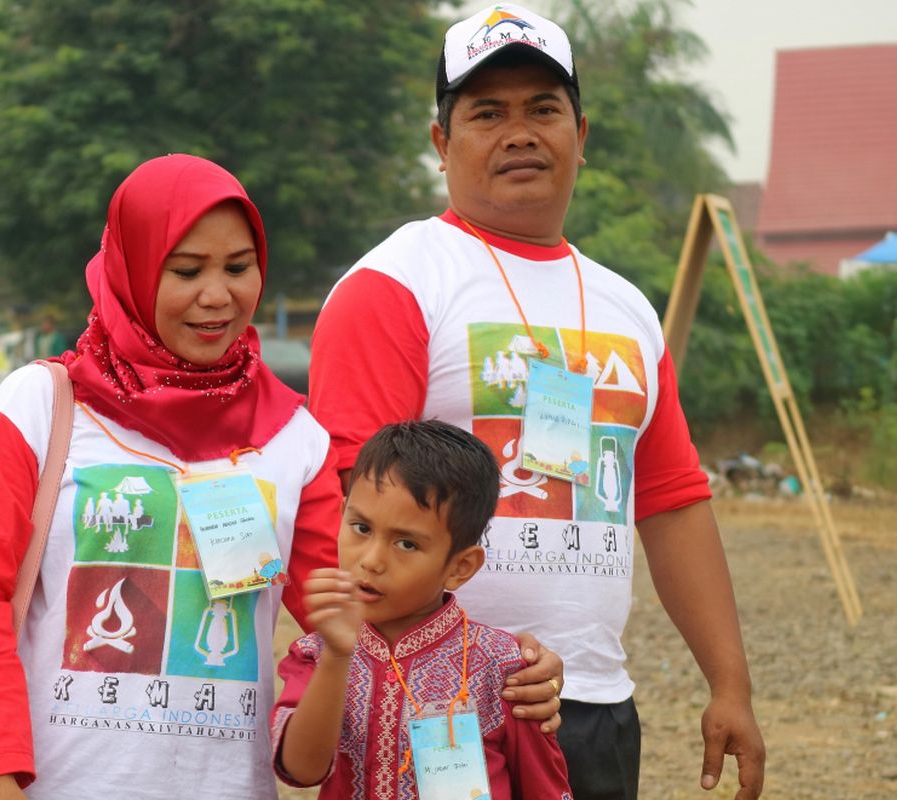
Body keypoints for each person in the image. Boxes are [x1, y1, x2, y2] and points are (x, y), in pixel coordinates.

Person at [307, 4, 766, 799]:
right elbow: (350, 513)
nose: (520, 132)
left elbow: (671, 500)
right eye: (488, 113)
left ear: (581, 135)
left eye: (543, 109)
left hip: (595, 704)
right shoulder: (394, 285)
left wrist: (730, 684)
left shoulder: (626, 308)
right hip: (438, 705)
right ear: (442, 145)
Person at [0, 155, 343, 799]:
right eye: (185, 270)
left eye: (238, 267)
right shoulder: (37, 406)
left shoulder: (297, 440)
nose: (217, 295)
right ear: (132, 268)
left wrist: (502, 661)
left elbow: (354, 614)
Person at [271, 420, 572, 798]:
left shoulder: (503, 668)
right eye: (361, 528)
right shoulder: (316, 654)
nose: (372, 560)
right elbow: (299, 770)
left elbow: (544, 788)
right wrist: (337, 657)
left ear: (460, 567)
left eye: (407, 544)